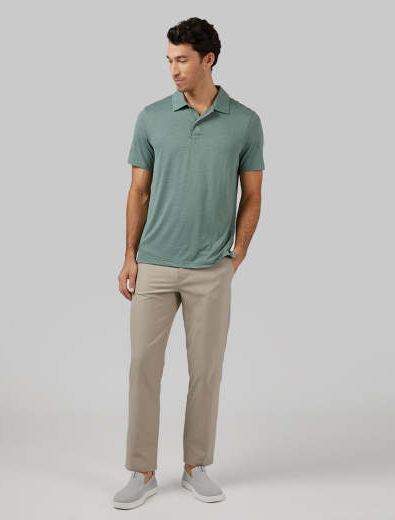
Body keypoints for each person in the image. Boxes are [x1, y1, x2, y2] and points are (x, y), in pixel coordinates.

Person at [113, 16, 265, 509]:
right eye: (169, 60)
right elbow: (138, 191)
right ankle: (142, 471)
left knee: (206, 371)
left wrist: (238, 251)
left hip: (211, 269)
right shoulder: (151, 117)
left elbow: (253, 194)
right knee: (142, 367)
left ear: (208, 60)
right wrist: (130, 255)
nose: (174, 69)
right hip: (154, 265)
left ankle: (196, 466)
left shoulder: (244, 121)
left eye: (182, 60)